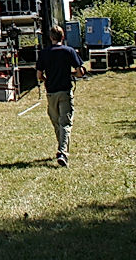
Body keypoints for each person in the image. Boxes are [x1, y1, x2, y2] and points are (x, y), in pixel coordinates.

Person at [36, 24, 86, 167]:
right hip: (65, 91)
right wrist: (70, 74)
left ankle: (61, 149)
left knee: (57, 122)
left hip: (51, 92)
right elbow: (80, 71)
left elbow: (39, 75)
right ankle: (63, 152)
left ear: (50, 37)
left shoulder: (44, 53)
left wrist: (47, 80)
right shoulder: (69, 51)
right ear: (62, 37)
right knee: (65, 122)